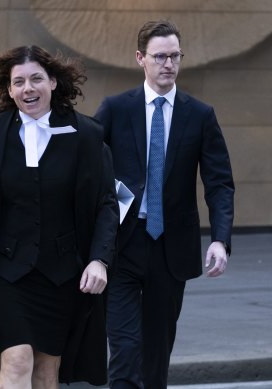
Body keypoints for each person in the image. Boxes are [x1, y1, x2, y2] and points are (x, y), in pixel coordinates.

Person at [0, 45, 119, 388]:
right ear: (8, 89)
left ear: (54, 83)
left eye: (36, 79)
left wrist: (99, 260)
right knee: (16, 358)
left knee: (47, 371)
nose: (27, 88)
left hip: (62, 275)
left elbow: (107, 204)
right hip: (4, 272)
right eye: (18, 82)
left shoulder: (87, 137)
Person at [94, 20, 235, 388]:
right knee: (124, 351)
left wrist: (220, 239)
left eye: (175, 56)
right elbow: (85, 167)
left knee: (156, 357)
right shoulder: (115, 109)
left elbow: (219, 183)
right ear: (141, 58)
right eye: (159, 56)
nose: (168, 64)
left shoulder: (200, 115)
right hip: (123, 246)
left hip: (171, 250)